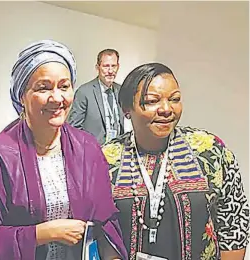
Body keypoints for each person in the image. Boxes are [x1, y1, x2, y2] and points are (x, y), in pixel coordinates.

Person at [0, 40, 127, 260]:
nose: (57, 98)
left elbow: (106, 221)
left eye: (64, 86)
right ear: (21, 96)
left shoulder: (88, 149)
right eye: (43, 88)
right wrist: (42, 234)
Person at [101, 62, 249, 260]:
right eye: (152, 101)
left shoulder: (209, 150)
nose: (166, 109)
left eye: (175, 99)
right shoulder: (106, 158)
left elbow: (233, 222)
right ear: (127, 108)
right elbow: (100, 228)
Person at [68, 49, 124, 144]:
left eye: (113, 66)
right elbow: (74, 128)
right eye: (106, 66)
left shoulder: (121, 90)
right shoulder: (84, 92)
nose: (110, 71)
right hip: (94, 152)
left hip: (117, 152)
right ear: (98, 67)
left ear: (118, 67)